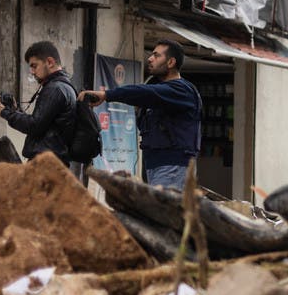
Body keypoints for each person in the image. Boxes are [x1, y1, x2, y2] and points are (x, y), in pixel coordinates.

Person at [80, 39, 202, 190]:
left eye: (156, 56)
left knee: (163, 212)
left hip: (173, 167)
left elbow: (144, 92)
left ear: (171, 62)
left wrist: (106, 95)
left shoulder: (182, 91)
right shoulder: (160, 94)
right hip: (157, 166)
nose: (150, 59)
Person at [0, 41, 77, 165]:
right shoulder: (64, 87)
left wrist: (4, 112)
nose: (32, 71)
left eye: (34, 66)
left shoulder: (55, 88)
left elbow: (34, 126)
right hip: (51, 163)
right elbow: (42, 125)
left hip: (46, 165)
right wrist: (16, 111)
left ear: (50, 62)